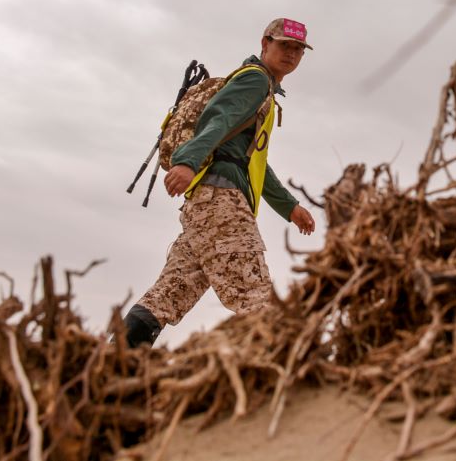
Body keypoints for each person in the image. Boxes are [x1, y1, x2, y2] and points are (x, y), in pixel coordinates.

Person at [121, 18, 317, 347]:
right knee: (255, 297)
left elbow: (253, 162)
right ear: (265, 42)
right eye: (284, 45)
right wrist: (187, 161)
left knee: (168, 294)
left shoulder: (263, 88)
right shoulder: (255, 80)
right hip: (220, 201)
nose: (291, 54)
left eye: (298, 49)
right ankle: (273, 376)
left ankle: (116, 359)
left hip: (207, 203)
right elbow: (218, 117)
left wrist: (289, 206)